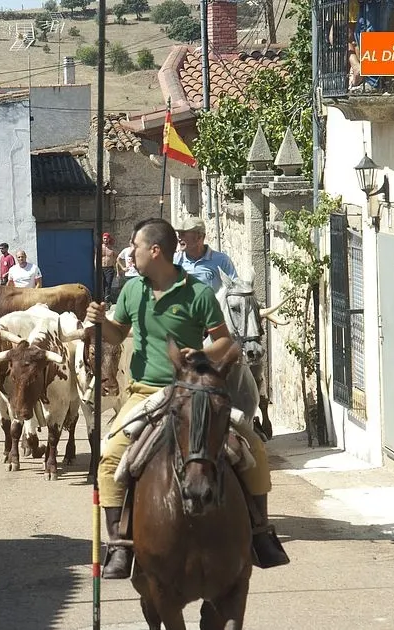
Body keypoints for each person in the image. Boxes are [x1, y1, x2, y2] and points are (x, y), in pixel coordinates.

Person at [85, 218, 286, 579]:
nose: (131, 253)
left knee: (253, 448)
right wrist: (101, 322)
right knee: (110, 455)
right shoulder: (132, 290)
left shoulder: (198, 294)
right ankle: (119, 545)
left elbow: (225, 341)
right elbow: (117, 335)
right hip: (145, 392)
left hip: (194, 390)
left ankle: (261, 533)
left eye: (136, 247)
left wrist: (204, 354)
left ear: (155, 251)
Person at [173, 216, 237, 293]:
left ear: (199, 237)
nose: (179, 238)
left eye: (183, 234)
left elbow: (235, 288)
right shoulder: (174, 261)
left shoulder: (221, 260)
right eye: (179, 234)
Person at [101, 232, 119, 302]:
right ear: (102, 239)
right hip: (101, 268)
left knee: (108, 284)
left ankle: (107, 300)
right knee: (102, 284)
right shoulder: (100, 247)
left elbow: (117, 258)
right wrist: (96, 267)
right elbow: (96, 257)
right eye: (104, 238)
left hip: (109, 268)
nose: (105, 240)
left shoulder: (112, 248)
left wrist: (118, 269)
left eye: (106, 238)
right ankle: (102, 299)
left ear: (109, 239)